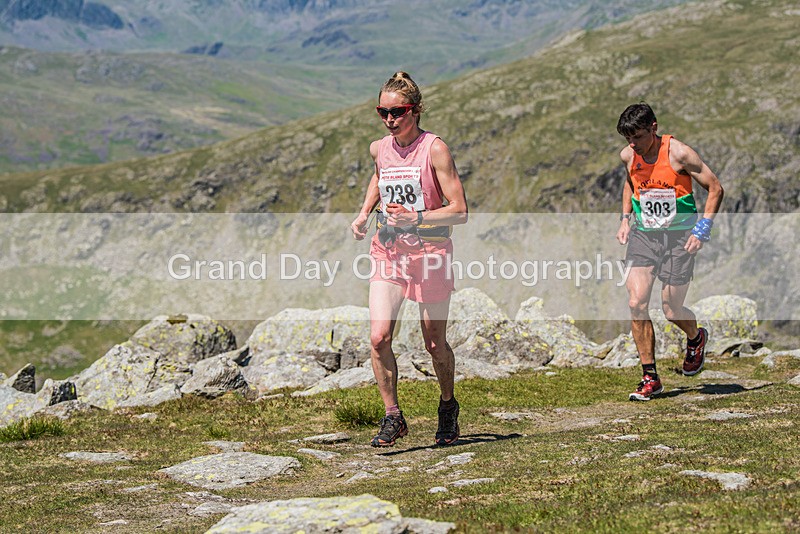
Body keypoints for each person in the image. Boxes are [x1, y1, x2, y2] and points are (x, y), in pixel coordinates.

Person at [351, 72, 468, 446]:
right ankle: (393, 417)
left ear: (414, 111)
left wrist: (416, 218)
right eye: (382, 112)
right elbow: (379, 178)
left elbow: (460, 210)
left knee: (434, 343)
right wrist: (364, 212)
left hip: (431, 252)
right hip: (389, 250)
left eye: (397, 111)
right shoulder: (378, 148)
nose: (389, 119)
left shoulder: (434, 149)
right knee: (378, 336)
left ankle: (448, 407)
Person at [615, 103, 723, 401]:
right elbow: (630, 182)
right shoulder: (628, 155)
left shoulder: (680, 154)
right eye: (628, 139)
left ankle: (695, 336)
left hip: (679, 238)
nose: (633, 144)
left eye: (637, 137)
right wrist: (625, 219)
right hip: (644, 235)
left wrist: (703, 228)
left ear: (654, 127)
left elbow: (715, 188)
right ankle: (650, 377)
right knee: (637, 301)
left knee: (671, 309)